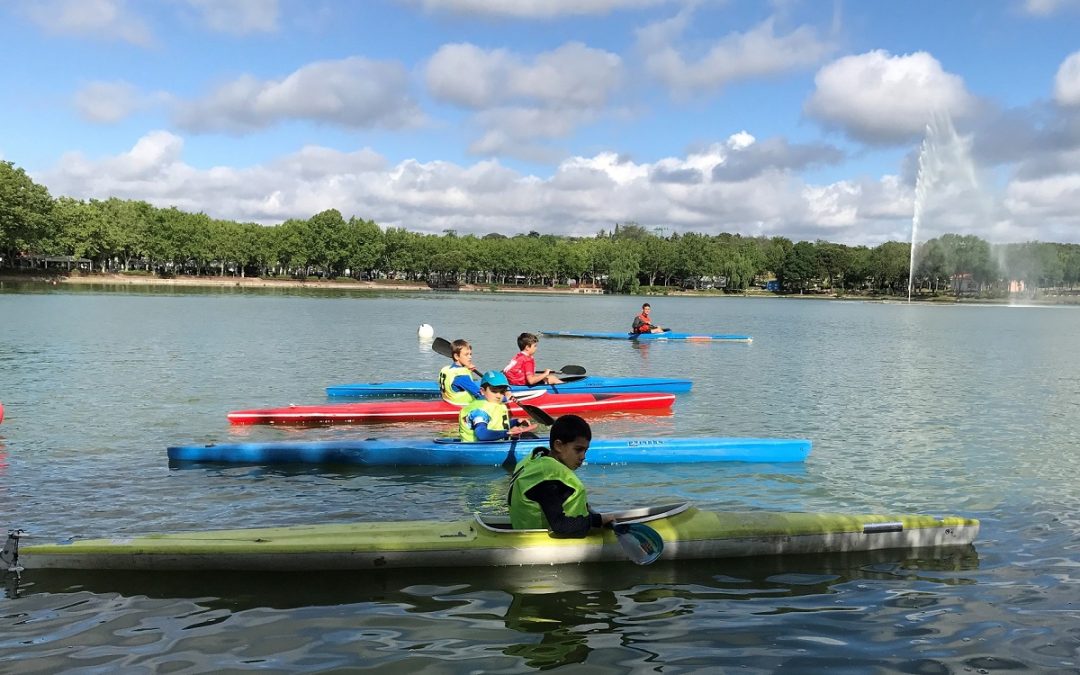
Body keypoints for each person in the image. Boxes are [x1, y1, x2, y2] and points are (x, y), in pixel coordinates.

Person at [507, 414, 614, 536]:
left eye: (585, 450)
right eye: (578, 449)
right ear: (558, 445)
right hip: (540, 546)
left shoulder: (535, 461)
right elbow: (561, 526)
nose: (583, 456)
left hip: (524, 532)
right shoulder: (548, 478)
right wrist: (598, 520)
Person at [459, 371, 538, 442]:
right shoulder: (479, 411)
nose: (498, 396)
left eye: (502, 392)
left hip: (495, 443)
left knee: (529, 436)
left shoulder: (497, 405)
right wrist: (508, 433)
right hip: (477, 448)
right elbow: (482, 434)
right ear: (482, 391)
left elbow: (498, 426)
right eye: (494, 391)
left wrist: (516, 422)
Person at [439, 339, 482, 405]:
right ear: (456, 356)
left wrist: (467, 370)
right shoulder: (462, 376)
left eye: (470, 354)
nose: (470, 357)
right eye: (466, 354)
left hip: (448, 402)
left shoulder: (446, 369)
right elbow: (480, 395)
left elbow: (457, 380)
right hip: (462, 407)